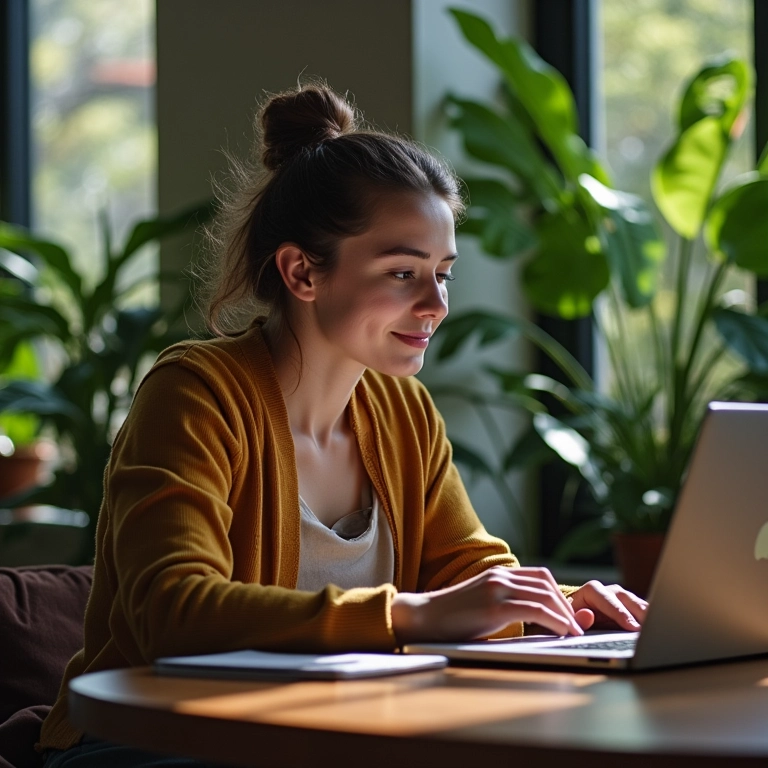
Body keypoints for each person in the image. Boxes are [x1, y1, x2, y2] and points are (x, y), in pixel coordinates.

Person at [40, 83, 647, 767]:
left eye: (443, 274)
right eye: (402, 273)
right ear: (302, 272)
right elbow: (172, 613)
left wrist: (567, 603)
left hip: (316, 738)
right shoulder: (196, 394)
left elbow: (468, 567)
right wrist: (410, 615)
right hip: (153, 741)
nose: (435, 305)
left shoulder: (403, 412)